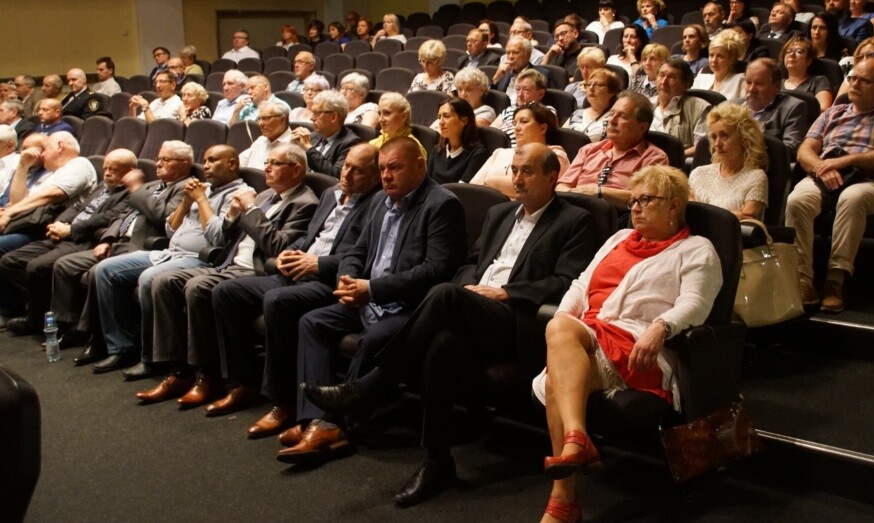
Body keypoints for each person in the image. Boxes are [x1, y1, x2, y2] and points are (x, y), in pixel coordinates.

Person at [304, 143, 601, 504]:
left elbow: (567, 282)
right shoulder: (499, 213)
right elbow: (469, 264)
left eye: (527, 171)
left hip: (518, 321)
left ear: (553, 177)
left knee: (444, 294)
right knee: (442, 343)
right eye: (514, 170)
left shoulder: (575, 220)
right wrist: (468, 289)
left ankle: (370, 386)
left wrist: (505, 292)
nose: (518, 179)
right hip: (473, 309)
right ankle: (437, 462)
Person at [533, 165, 723, 523]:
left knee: (557, 382)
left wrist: (661, 326)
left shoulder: (697, 249)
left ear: (674, 205)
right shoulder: (618, 239)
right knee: (558, 326)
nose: (634, 207)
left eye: (645, 200)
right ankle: (576, 442)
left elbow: (696, 303)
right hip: (587, 334)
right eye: (632, 200)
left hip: (637, 346)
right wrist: (563, 321)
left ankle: (564, 499)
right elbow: (581, 284)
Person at [289, 137, 466, 464]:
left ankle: (335, 425)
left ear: (420, 166)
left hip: (408, 308)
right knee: (312, 322)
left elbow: (436, 270)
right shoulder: (379, 202)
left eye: (394, 168)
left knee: (373, 338)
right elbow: (356, 251)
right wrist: (347, 279)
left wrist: (372, 289)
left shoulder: (441, 204)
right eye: (383, 168)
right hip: (367, 297)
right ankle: (314, 419)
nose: (386, 176)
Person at [206, 144, 380, 437]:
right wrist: (289, 253)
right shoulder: (331, 193)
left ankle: (283, 401)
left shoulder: (376, 203)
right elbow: (312, 237)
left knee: (277, 301)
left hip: (328, 281)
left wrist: (318, 264)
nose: (346, 174)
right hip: (299, 271)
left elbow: (363, 256)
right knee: (225, 292)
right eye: (346, 166)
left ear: (375, 177)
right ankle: (244, 383)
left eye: (358, 171)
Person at [140, 144, 317, 408]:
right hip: (227, 262)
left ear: (296, 170)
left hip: (254, 270)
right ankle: (179, 371)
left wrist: (251, 209)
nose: (267, 168)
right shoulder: (266, 195)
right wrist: (233, 214)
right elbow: (225, 237)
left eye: (275, 164)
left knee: (198, 287)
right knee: (164, 282)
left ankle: (209, 376)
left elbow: (278, 246)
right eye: (266, 162)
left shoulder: (305, 203)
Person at [86, 143, 233, 374]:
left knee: (149, 278)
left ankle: (152, 358)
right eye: (205, 161)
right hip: (170, 252)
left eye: (212, 161)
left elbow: (218, 237)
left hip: (201, 258)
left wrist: (201, 201)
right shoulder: (202, 189)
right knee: (105, 270)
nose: (206, 166)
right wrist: (186, 203)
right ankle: (121, 347)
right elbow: (170, 230)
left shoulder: (235, 194)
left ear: (232, 164)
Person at [785, 59, 874, 313]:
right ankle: (803, 279)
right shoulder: (832, 113)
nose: (854, 84)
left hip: (868, 180)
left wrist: (847, 161)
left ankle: (835, 279)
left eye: (864, 81)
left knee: (851, 199)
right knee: (797, 200)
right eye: (853, 78)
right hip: (823, 176)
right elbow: (805, 150)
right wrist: (822, 168)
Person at [49, 143, 193, 366]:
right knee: (65, 264)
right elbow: (123, 215)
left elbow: (162, 216)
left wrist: (136, 188)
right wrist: (107, 239)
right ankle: (72, 327)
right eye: (158, 158)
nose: (158, 164)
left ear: (184, 164)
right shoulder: (152, 185)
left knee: (96, 273)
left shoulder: (185, 188)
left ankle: (99, 339)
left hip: (142, 246)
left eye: (166, 160)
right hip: (117, 242)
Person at [0, 149, 136, 335]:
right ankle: (41, 307)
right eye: (105, 168)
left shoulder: (131, 194)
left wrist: (71, 229)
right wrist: (60, 222)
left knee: (36, 267)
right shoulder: (103, 186)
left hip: (82, 240)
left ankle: (36, 319)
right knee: (10, 261)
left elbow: (108, 217)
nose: (107, 173)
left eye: (113, 169)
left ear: (130, 171)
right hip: (62, 233)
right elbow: (78, 206)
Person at [557, 92, 667, 213]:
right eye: (611, 114)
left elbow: (645, 199)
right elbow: (561, 187)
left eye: (622, 116)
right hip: (575, 212)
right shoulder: (588, 150)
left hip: (617, 217)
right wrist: (577, 196)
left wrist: (598, 192)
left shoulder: (654, 158)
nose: (612, 120)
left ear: (642, 127)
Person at [0, 131, 97, 258]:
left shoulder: (80, 163)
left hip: (46, 232)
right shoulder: (53, 174)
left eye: (45, 149)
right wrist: (23, 165)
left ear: (60, 146)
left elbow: (54, 194)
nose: (42, 154)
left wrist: (10, 212)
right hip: (27, 226)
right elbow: (17, 202)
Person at [689, 103, 768, 220]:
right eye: (714, 137)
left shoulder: (756, 177)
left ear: (744, 138)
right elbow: (689, 214)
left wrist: (703, 215)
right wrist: (733, 214)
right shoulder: (698, 174)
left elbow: (746, 218)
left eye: (724, 135)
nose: (717, 144)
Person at [473, 102, 569, 197]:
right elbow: (473, 187)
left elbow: (532, 188)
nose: (516, 128)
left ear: (542, 129)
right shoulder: (499, 152)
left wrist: (489, 180)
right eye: (515, 123)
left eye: (524, 121)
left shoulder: (555, 155)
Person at [734, 58, 809, 160]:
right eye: (748, 82)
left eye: (759, 84)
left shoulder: (793, 108)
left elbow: (789, 151)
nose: (751, 89)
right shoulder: (731, 106)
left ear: (776, 87)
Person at [290, 90, 360, 178]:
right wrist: (292, 147)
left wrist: (309, 148)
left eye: (317, 113)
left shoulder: (351, 143)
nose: (311, 118)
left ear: (333, 117)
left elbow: (336, 176)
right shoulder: (313, 136)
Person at [650, 58, 711, 156]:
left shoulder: (699, 108)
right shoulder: (646, 105)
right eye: (661, 75)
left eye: (671, 77)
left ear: (685, 85)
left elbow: (701, 146)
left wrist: (675, 156)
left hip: (677, 162)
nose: (663, 82)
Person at [426, 98, 488, 184]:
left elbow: (462, 189)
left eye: (447, 116)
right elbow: (427, 183)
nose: (440, 122)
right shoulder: (437, 149)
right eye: (439, 117)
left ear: (464, 120)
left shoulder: (477, 154)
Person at [491, 69, 556, 146]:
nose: (519, 94)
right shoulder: (508, 110)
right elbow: (491, 133)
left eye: (526, 90)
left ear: (541, 94)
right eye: (518, 89)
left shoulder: (546, 111)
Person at [564, 68, 621, 143]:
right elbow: (561, 136)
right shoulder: (577, 113)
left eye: (598, 85)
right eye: (588, 84)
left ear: (611, 91)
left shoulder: (614, 119)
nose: (591, 88)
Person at [780, 36, 833, 111]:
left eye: (799, 51)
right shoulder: (777, 84)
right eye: (788, 51)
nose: (792, 55)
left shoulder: (818, 81)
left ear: (808, 61)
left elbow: (824, 110)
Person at [369, 92, 427, 158]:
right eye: (380, 113)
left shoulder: (413, 148)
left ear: (404, 116)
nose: (380, 119)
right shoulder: (374, 144)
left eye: (387, 113)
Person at [239, 102, 293, 171]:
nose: (260, 123)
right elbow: (240, 163)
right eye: (259, 119)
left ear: (282, 120)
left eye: (266, 118)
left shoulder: (294, 144)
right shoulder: (260, 140)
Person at [693, 30, 745, 100]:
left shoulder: (741, 81)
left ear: (731, 59)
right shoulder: (701, 78)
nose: (714, 60)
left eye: (720, 56)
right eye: (711, 55)